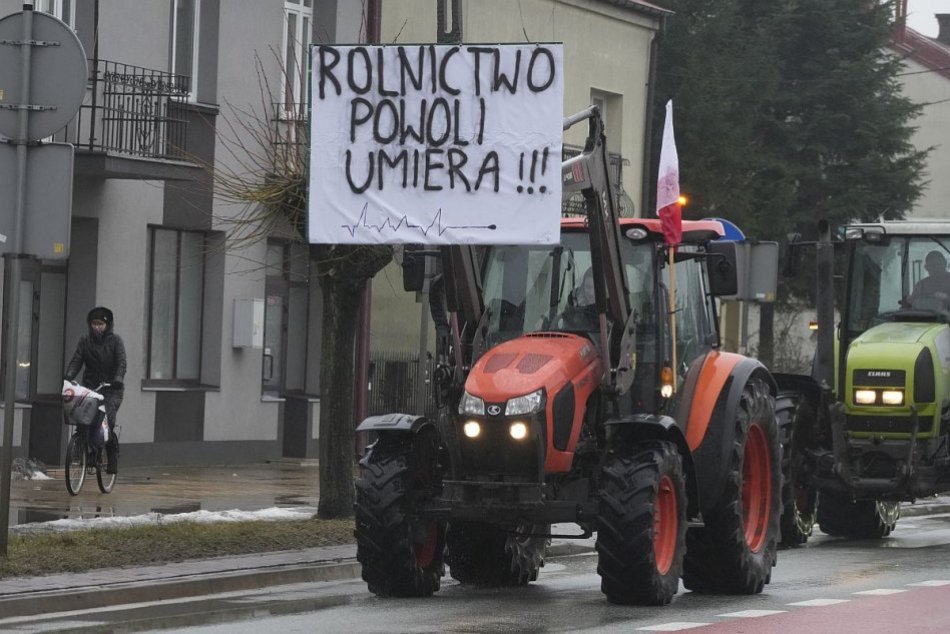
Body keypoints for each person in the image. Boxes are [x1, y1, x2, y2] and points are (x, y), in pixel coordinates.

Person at [64, 306, 127, 474]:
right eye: (94, 323)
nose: (97, 327)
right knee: (83, 416)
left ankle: (111, 453)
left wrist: (118, 379)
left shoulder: (116, 341)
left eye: (100, 324)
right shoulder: (85, 341)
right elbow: (77, 360)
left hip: (111, 389)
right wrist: (69, 376)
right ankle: (86, 449)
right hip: (91, 387)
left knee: (106, 422)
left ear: (107, 325)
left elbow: (121, 363)